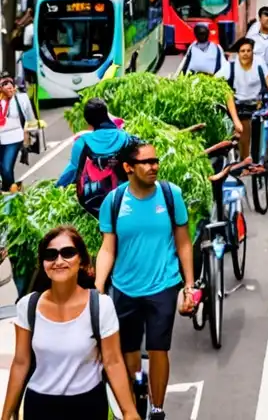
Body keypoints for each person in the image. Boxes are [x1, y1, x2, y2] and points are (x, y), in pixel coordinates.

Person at [94, 139, 195, 420]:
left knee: (158, 346)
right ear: (128, 167)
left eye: (155, 161)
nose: (154, 167)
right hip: (124, 288)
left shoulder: (170, 195)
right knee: (129, 350)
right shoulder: (113, 203)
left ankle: (158, 408)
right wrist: (99, 286)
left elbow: (184, 243)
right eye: (146, 162)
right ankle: (138, 387)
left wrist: (189, 284)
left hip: (163, 284)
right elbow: (107, 248)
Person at [2, 226, 140, 420]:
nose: (59, 261)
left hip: (87, 405)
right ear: (43, 263)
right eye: (51, 255)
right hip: (39, 406)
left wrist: (129, 411)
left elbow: (113, 362)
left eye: (67, 253)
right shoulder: (28, 306)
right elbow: (21, 362)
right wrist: (7, 413)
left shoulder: (100, 306)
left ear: (81, 261)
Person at [224, 37, 268, 164]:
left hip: (257, 106)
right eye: (242, 51)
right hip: (239, 107)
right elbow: (216, 83)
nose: (246, 54)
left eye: (249, 51)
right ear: (238, 53)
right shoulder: (230, 66)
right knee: (243, 134)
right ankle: (244, 159)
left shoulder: (259, 62)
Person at [56, 98, 131, 188]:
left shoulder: (82, 141)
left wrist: (57, 186)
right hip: (125, 190)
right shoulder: (126, 137)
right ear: (106, 114)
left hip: (95, 196)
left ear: (88, 122)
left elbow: (72, 170)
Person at [0, 72, 34, 193]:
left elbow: (30, 119)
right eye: (4, 84)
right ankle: (9, 192)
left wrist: (29, 136)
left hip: (14, 138)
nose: (9, 86)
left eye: (10, 83)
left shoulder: (21, 98)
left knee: (6, 168)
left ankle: (13, 193)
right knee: (3, 170)